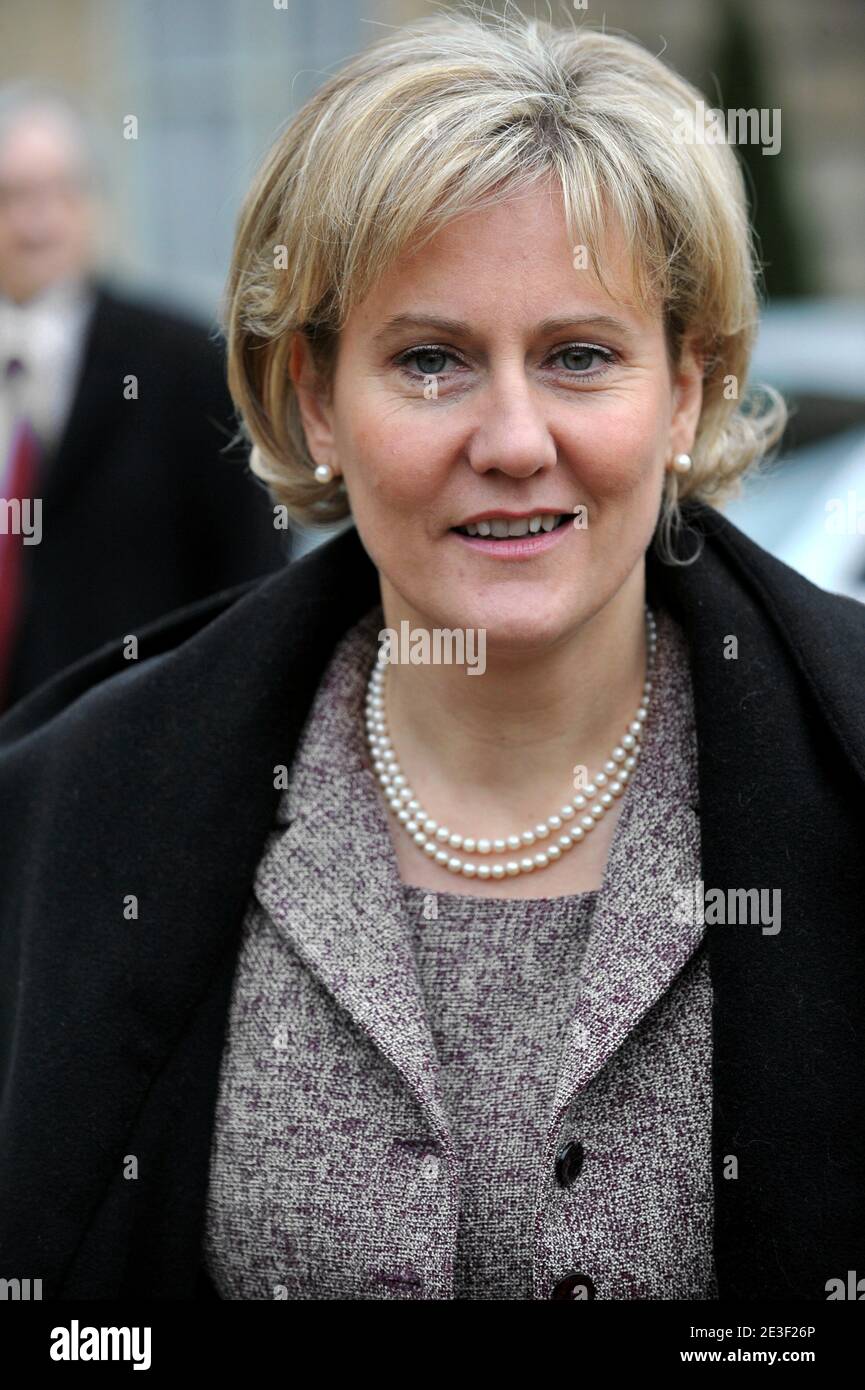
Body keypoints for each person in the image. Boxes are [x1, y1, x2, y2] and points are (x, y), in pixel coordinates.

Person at [1, 9, 863, 1302]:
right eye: (430, 360)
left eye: (579, 355)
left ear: (685, 390)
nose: (513, 439)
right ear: (313, 399)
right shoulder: (73, 819)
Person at [0, 83, 288, 710]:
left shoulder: (182, 363)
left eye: (61, 192)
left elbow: (251, 564)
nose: (37, 221)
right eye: (12, 197)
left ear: (94, 204)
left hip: (128, 727)